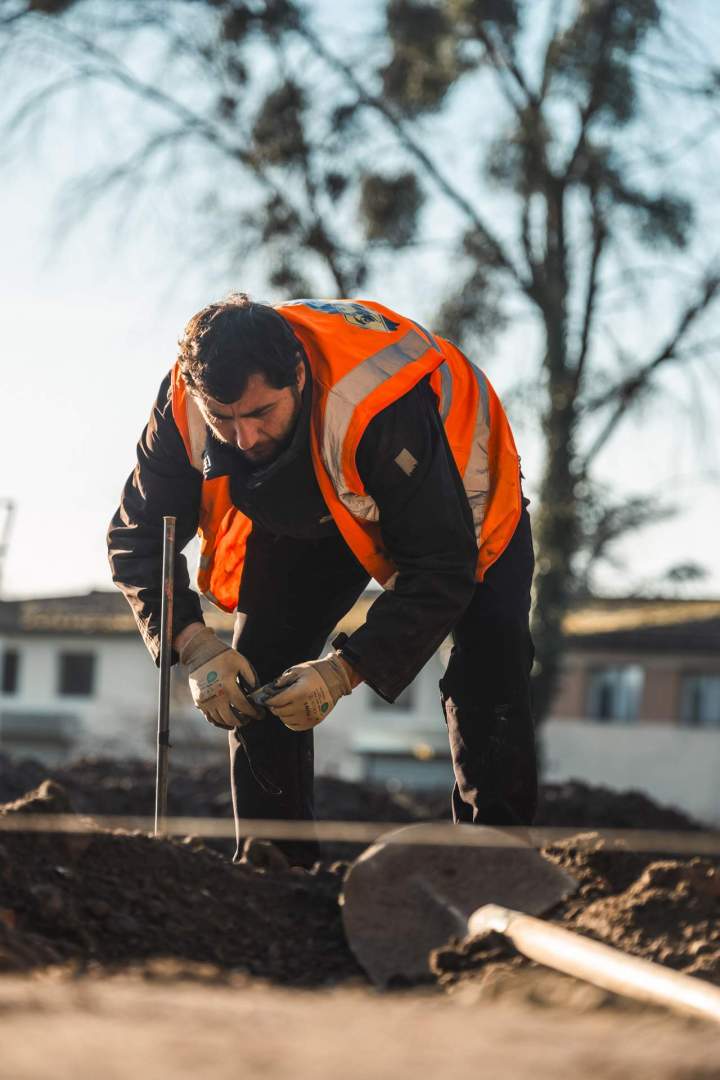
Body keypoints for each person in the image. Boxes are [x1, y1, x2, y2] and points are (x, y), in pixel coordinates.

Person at [108, 294, 537, 863]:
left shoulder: (377, 407)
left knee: (492, 661)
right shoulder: (184, 402)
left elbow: (441, 568)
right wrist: (192, 643)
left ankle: (498, 860)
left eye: (261, 414)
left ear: (299, 378)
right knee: (258, 663)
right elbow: (137, 537)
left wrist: (342, 671)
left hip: (456, 492)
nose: (244, 439)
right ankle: (275, 869)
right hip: (306, 501)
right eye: (224, 419)